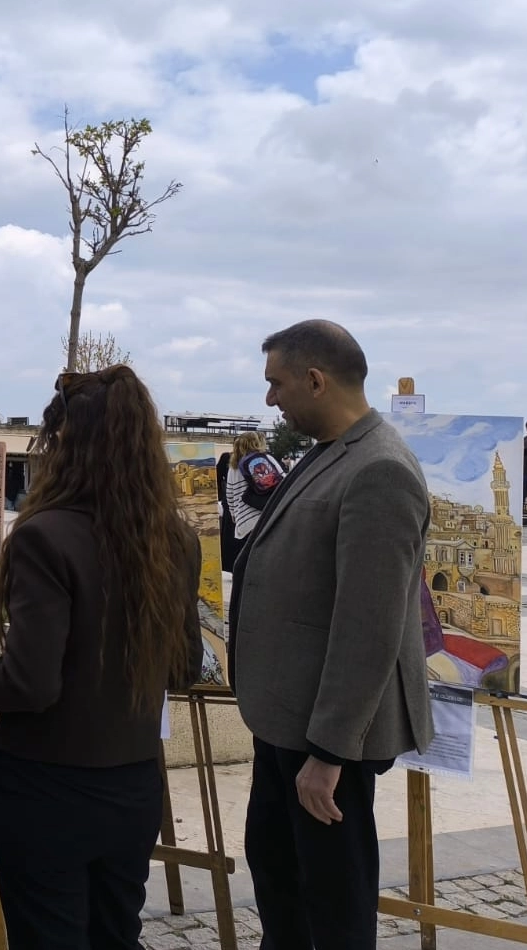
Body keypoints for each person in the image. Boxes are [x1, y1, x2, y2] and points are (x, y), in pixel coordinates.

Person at [0, 365, 203, 947]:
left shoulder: (46, 536)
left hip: (47, 789)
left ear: (64, 445)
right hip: (134, 785)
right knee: (116, 936)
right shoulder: (175, 539)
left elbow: (33, 681)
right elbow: (185, 666)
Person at [231, 320, 432, 949]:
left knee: (332, 905)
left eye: (278, 384)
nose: (271, 400)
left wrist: (328, 755)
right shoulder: (331, 451)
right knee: (280, 878)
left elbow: (366, 629)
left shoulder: (379, 470)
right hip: (287, 720)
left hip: (323, 739)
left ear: (315, 380)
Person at [224, 431, 283, 546]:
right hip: (264, 516)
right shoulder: (266, 459)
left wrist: (233, 513)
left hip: (244, 521)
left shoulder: (233, 466)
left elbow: (229, 494)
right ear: (255, 443)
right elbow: (284, 480)